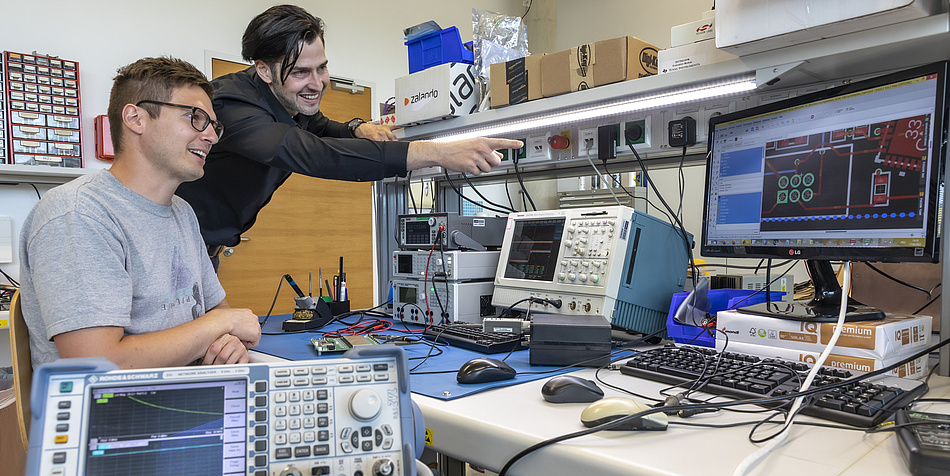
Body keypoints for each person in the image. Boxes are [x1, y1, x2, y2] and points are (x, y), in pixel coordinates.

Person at [175, 5, 521, 263]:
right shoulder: (231, 106)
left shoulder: (283, 100)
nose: (317, 83)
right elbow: (316, 153)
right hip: (178, 248)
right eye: (301, 73)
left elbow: (320, 126)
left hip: (205, 248)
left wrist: (357, 127)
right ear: (263, 70)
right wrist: (437, 153)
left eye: (322, 67)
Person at [18, 57, 261, 369]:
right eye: (195, 117)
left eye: (214, 125)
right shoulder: (78, 213)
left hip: (189, 396)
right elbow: (97, 364)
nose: (211, 137)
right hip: (116, 413)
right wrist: (218, 327)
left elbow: (217, 309)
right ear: (135, 118)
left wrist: (228, 341)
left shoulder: (182, 212)